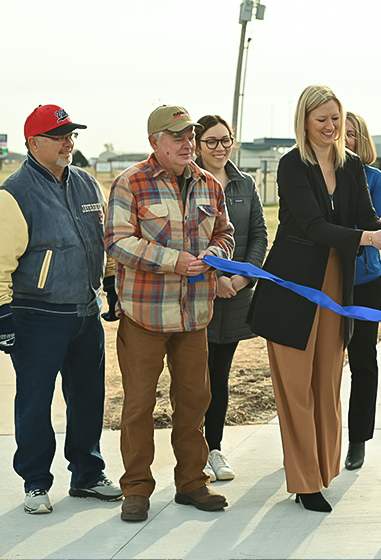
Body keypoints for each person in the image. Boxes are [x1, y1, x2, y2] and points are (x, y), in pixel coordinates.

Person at [248, 85, 381, 513]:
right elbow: (311, 226)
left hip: (336, 284)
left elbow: (365, 216)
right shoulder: (291, 164)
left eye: (335, 119)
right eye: (321, 120)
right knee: (295, 387)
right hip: (293, 287)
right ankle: (305, 482)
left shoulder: (350, 167)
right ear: (304, 123)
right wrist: (367, 237)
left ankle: (323, 471)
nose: (330, 127)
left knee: (327, 383)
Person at [105, 105, 234, 522]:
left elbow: (224, 234)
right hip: (144, 316)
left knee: (195, 400)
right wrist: (172, 261)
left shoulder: (209, 184)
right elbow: (117, 241)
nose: (188, 143)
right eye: (177, 136)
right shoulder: (131, 183)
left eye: (190, 136)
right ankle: (137, 489)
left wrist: (215, 254)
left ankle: (192, 482)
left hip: (195, 316)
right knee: (140, 405)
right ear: (154, 142)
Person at [0, 104, 123, 514]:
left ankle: (87, 474)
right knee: (35, 402)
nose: (69, 141)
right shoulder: (14, 193)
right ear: (34, 143)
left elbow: (103, 241)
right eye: (59, 135)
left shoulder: (87, 184)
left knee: (88, 398)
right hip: (37, 317)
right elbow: (1, 264)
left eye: (71, 134)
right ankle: (35, 482)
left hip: (86, 312)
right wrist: (3, 317)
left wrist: (110, 287)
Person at [194, 115, 267, 482]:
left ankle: (214, 450)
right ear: (197, 144)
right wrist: (216, 277)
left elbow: (258, 235)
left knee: (219, 377)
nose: (220, 148)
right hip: (198, 297)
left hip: (236, 297)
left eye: (226, 140)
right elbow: (186, 240)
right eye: (211, 141)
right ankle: (192, 454)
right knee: (195, 380)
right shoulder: (187, 183)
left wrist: (242, 277)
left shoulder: (245, 183)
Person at [343, 111, 381, 470]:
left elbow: (368, 223)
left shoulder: (372, 178)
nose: (342, 140)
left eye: (351, 135)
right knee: (321, 365)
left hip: (364, 282)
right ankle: (315, 435)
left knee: (362, 362)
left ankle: (358, 438)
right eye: (336, 133)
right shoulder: (315, 176)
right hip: (323, 285)